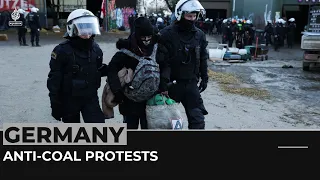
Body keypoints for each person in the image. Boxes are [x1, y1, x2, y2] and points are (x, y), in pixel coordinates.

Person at [107, 17, 170, 129]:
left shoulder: (158, 47)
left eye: (149, 37)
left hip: (151, 99)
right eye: (143, 37)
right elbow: (112, 70)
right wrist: (117, 92)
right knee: (131, 131)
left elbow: (166, 66)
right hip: (129, 100)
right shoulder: (126, 50)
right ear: (137, 35)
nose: (146, 40)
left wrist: (163, 84)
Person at [47, 9, 108, 123]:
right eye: (83, 28)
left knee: (98, 130)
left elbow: (97, 69)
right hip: (69, 100)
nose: (87, 32)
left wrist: (112, 69)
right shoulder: (62, 51)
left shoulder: (96, 49)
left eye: (90, 27)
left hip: (90, 98)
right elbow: (54, 80)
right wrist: (55, 104)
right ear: (72, 28)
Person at [159, 0, 209, 129]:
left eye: (194, 16)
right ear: (180, 15)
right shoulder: (166, 34)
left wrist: (204, 77)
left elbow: (203, 58)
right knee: (171, 122)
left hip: (191, 83)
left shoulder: (199, 35)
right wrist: (162, 84)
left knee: (198, 120)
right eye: (189, 16)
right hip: (172, 85)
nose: (192, 19)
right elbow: (161, 61)